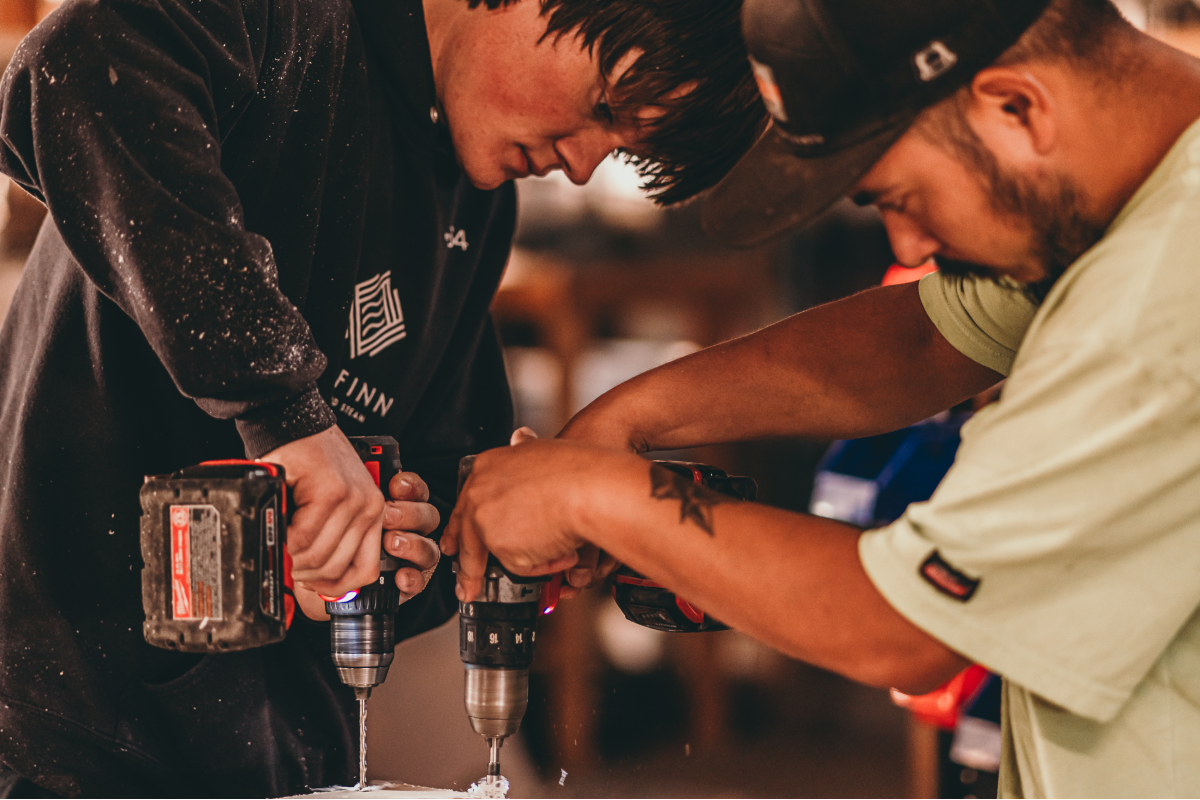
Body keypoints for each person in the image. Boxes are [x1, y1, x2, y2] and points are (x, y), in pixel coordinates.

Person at [0, 0, 764, 794]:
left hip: (278, 751)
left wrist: (399, 548)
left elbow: (429, 481)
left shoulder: (474, 204)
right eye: (602, 107)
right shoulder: (292, 26)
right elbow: (75, 71)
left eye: (614, 149)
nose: (579, 165)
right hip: (74, 722)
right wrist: (288, 418)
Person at [446, 0, 1200, 795]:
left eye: (901, 199)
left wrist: (596, 495)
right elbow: (927, 338)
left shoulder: (1159, 303)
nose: (909, 249)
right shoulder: (1137, 192)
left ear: (1017, 107)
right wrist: (621, 423)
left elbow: (901, 626)